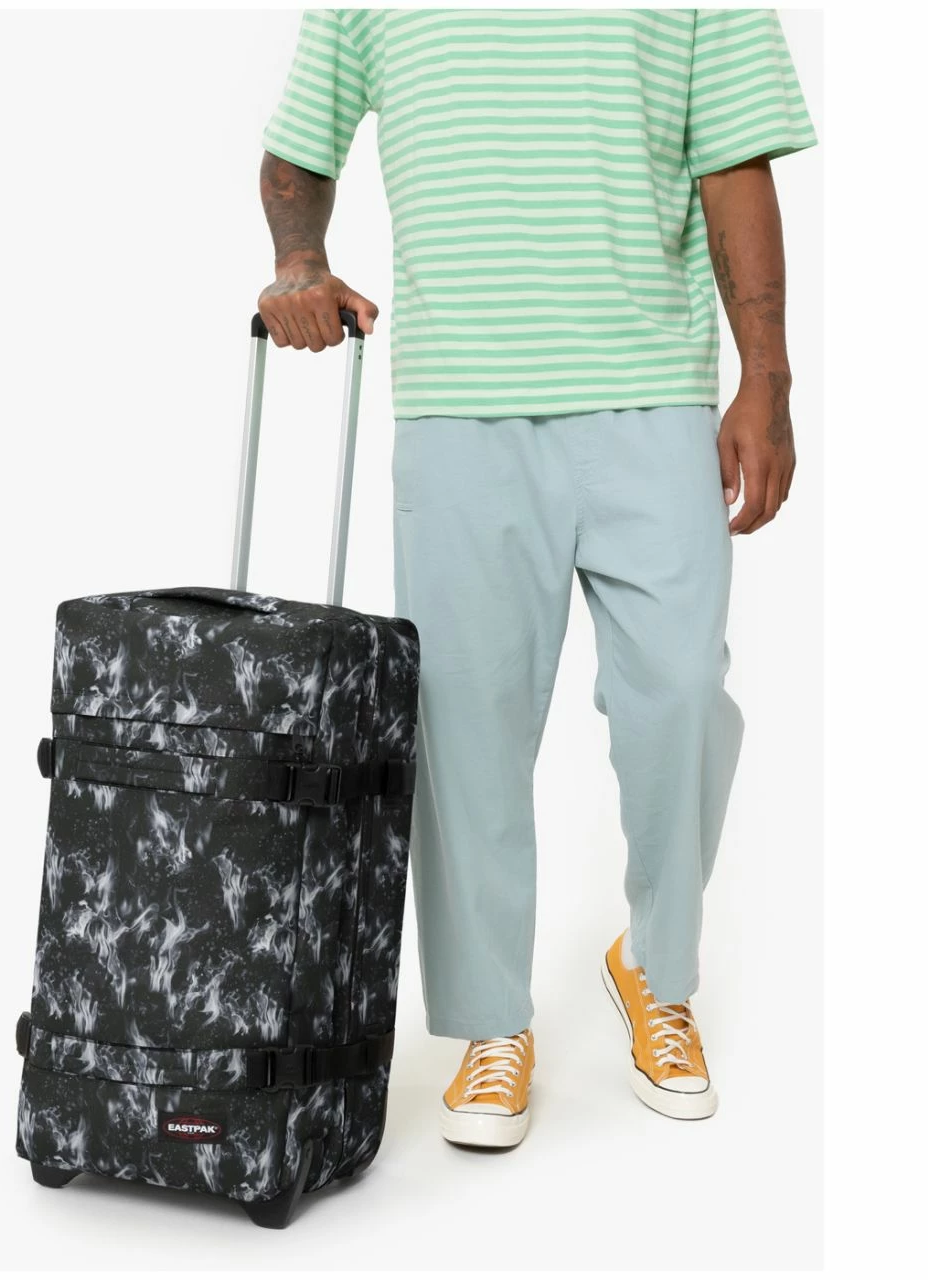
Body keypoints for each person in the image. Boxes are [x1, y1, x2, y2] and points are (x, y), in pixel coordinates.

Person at [258, 8, 816, 1144]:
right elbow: (299, 145)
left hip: (652, 390)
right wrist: (299, 262)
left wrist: (767, 379)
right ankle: (489, 1023)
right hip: (459, 399)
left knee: (680, 693)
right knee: (466, 719)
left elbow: (734, 167)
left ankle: (654, 967)